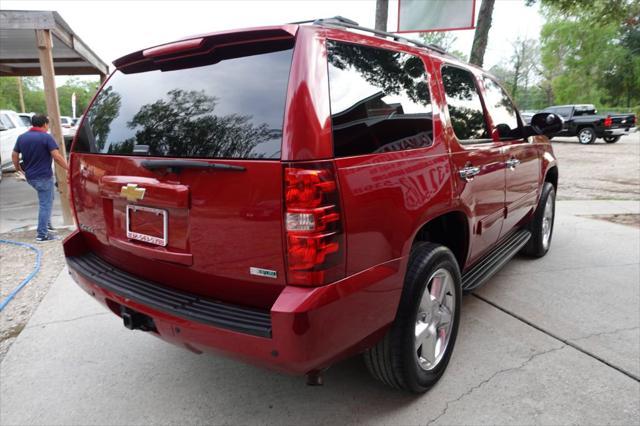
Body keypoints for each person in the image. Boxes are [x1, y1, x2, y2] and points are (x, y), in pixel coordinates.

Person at [12, 114, 69, 242]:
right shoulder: (46, 137)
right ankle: (42, 234)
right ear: (44, 124)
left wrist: (18, 169)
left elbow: (14, 155)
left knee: (47, 199)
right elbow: (57, 156)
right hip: (43, 176)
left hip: (31, 177)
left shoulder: (22, 137)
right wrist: (68, 168)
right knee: (45, 204)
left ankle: (47, 225)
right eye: (47, 124)